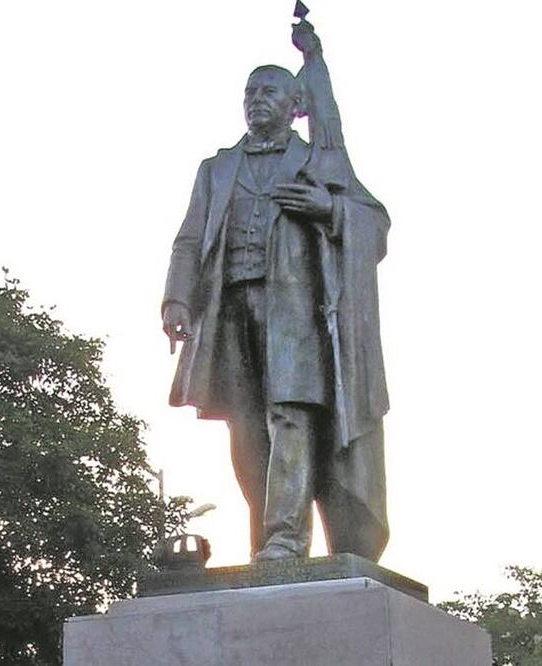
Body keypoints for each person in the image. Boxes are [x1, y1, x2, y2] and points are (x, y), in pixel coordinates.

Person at [161, 22, 390, 562]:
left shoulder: (319, 161)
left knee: (290, 415)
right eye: (250, 93)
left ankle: (286, 537)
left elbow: (373, 223)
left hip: (296, 313)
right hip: (227, 309)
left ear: (294, 105)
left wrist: (329, 209)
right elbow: (189, 239)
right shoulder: (216, 169)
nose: (256, 101)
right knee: (245, 429)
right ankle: (268, 533)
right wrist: (176, 299)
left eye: (269, 92)